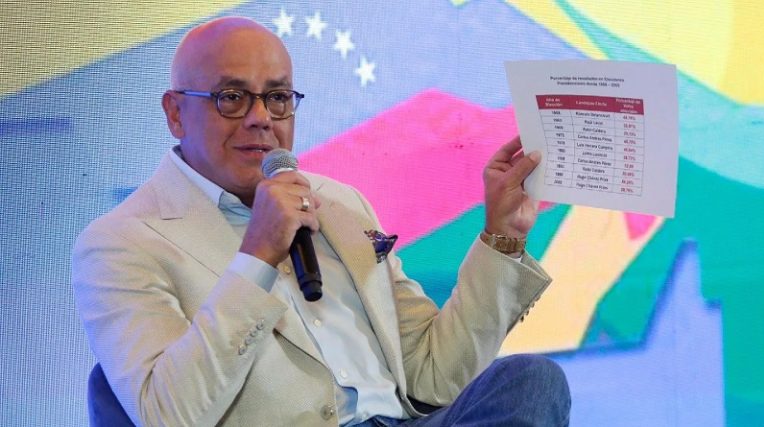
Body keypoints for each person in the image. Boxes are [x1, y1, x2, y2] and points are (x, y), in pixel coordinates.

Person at [72, 16, 570, 426]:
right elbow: (167, 415)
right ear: (176, 113)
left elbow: (433, 377)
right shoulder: (122, 244)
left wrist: (503, 235)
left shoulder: (337, 202)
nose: (261, 118)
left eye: (277, 97)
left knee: (531, 381)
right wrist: (257, 256)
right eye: (232, 97)